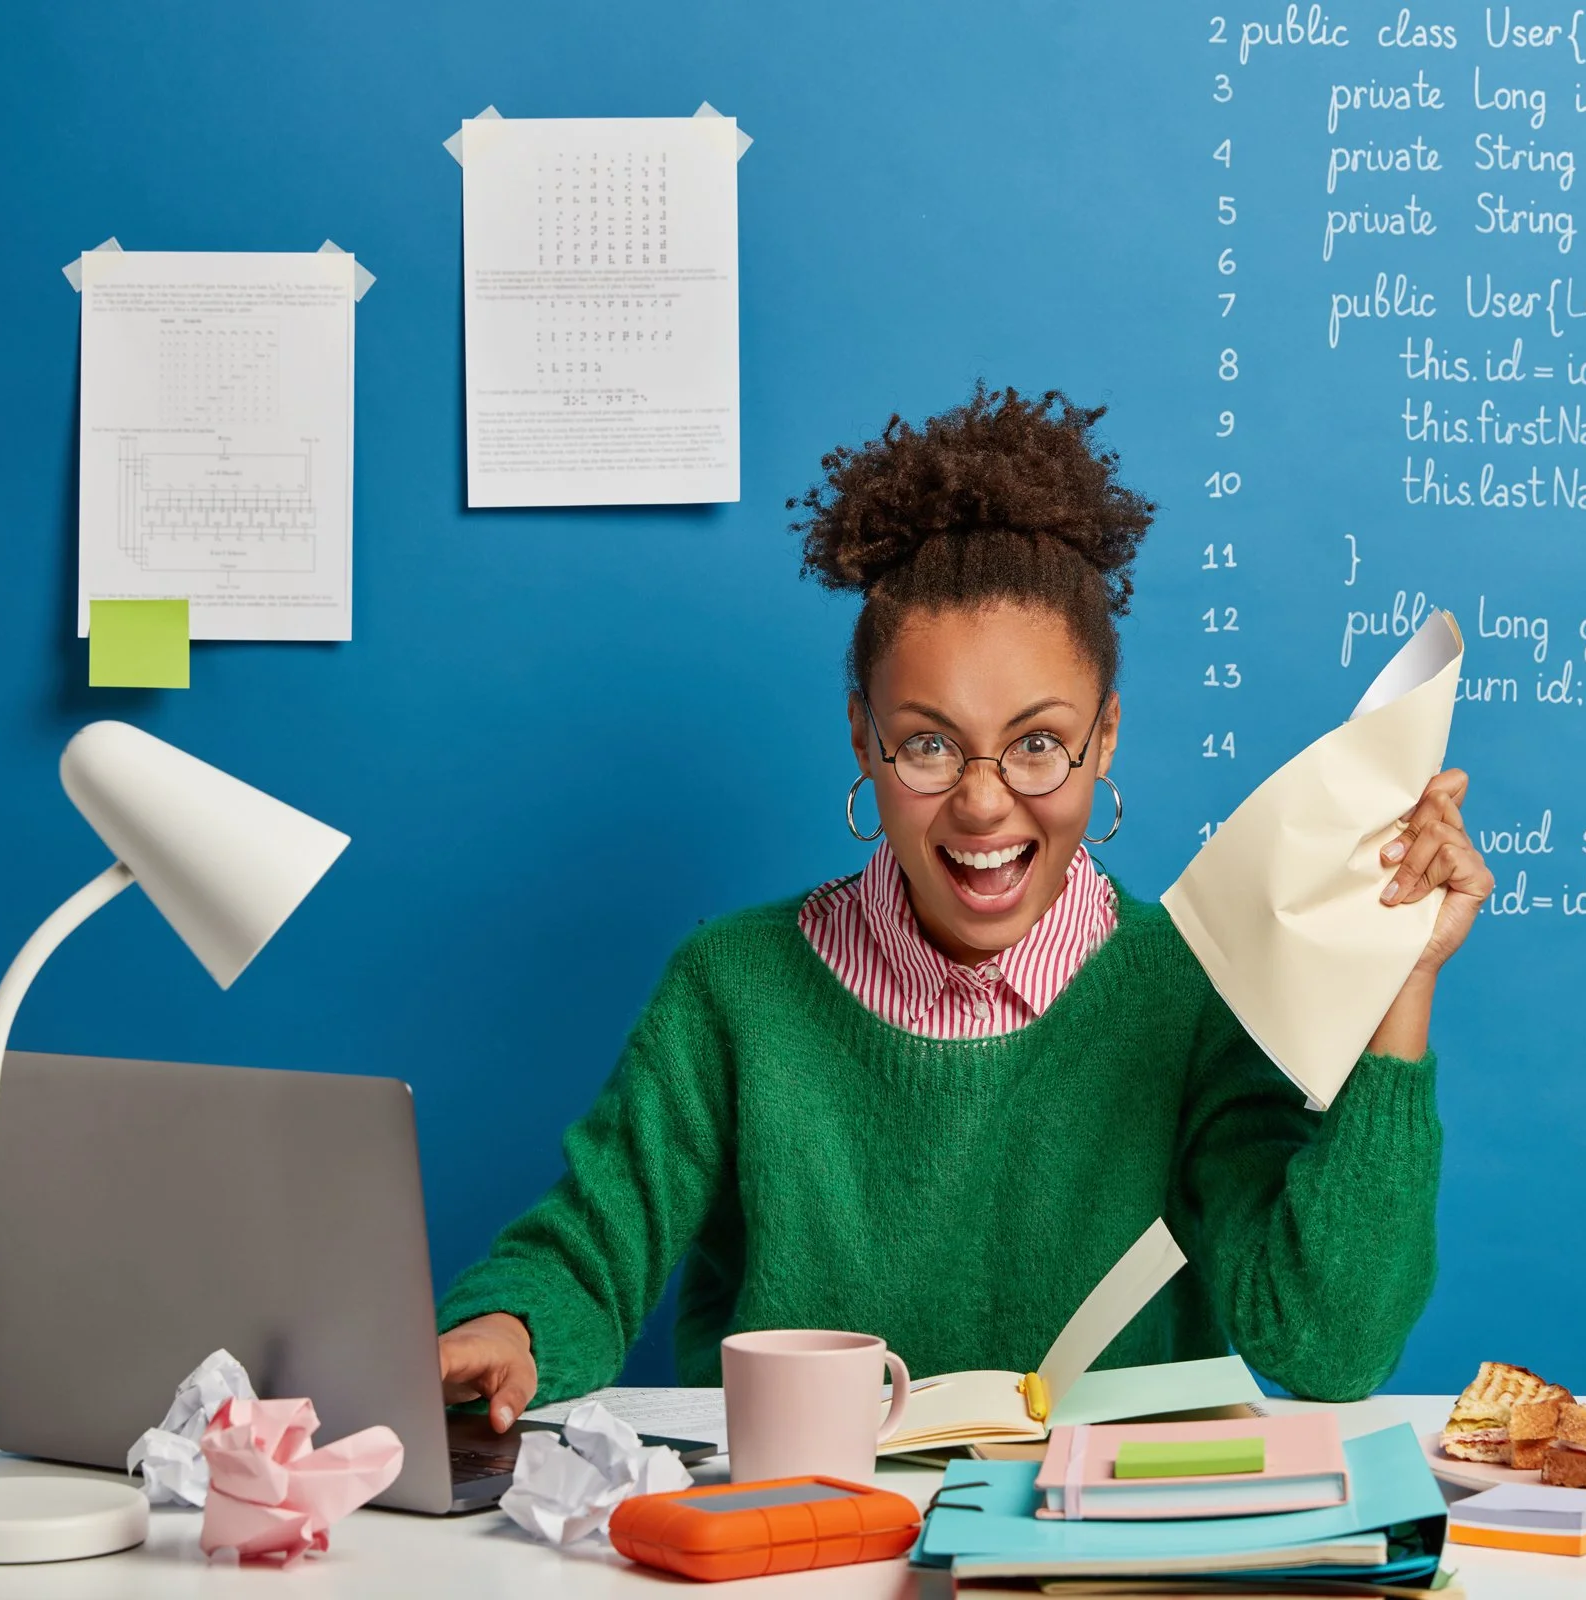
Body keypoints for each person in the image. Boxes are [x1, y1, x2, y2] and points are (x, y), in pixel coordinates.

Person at [438, 385, 1494, 1430]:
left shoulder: (1194, 991)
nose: (985, 801)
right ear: (864, 737)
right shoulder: (732, 986)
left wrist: (1401, 979)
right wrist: (508, 1327)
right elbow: (586, 1247)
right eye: (930, 743)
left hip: (1104, 1558)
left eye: (1038, 742)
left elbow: (1327, 1346)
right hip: (807, 1541)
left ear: (1105, 737)